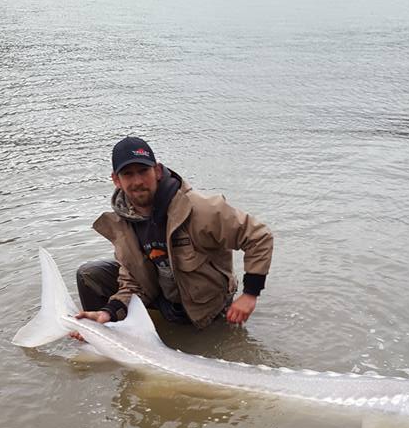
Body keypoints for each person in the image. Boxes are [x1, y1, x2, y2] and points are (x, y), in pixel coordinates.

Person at [73, 136, 273, 337]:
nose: (138, 181)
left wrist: (250, 294)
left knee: (213, 341)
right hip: (160, 294)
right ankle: (104, 335)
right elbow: (133, 282)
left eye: (143, 171)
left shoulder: (200, 209)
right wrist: (108, 313)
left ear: (157, 171)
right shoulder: (122, 222)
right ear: (116, 180)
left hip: (204, 305)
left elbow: (258, 237)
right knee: (89, 275)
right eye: (128, 174)